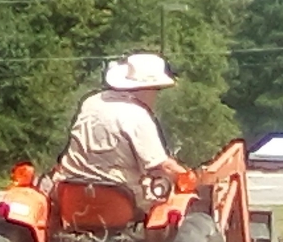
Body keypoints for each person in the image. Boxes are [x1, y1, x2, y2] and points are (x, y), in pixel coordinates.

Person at [49, 52, 188, 210]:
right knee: (169, 200)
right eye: (157, 90)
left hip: (72, 195)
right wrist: (188, 177)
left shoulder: (91, 102)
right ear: (148, 89)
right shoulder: (138, 115)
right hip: (119, 202)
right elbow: (162, 166)